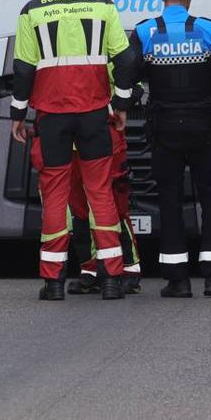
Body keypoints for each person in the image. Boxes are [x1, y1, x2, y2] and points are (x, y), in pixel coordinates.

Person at [10, 0, 136, 301]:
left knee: (55, 195)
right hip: (96, 114)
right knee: (100, 193)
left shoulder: (32, 10)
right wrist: (122, 105)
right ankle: (112, 278)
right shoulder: (102, 6)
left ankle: (53, 282)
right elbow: (126, 61)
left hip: (51, 117)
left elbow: (22, 70)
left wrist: (18, 114)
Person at [130, 0, 211, 298]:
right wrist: (210, 91)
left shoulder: (145, 30)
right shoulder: (207, 28)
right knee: (210, 199)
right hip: (204, 123)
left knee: (170, 200)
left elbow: (128, 76)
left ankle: (177, 280)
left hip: (164, 126)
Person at [67, 110, 143, 295]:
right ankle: (89, 271)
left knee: (116, 207)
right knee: (80, 211)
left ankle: (129, 270)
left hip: (105, 136)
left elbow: (132, 88)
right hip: (70, 141)